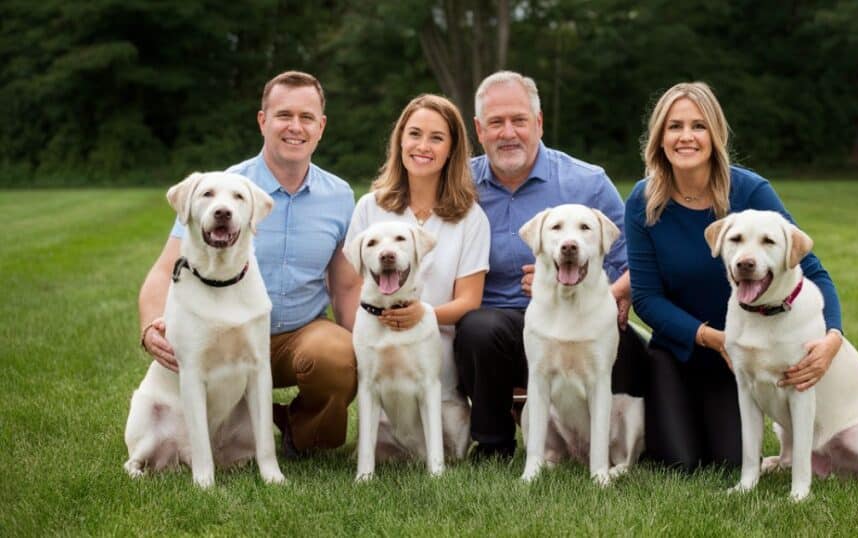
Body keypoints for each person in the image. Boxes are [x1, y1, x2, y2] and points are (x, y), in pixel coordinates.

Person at [138, 71, 360, 459]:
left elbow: (345, 288)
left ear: (321, 126)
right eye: (283, 115)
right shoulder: (221, 188)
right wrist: (149, 327)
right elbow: (164, 270)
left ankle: (298, 430)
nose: (295, 127)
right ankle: (231, 430)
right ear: (263, 121)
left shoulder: (339, 195)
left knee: (338, 356)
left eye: (307, 117)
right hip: (222, 334)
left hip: (299, 337)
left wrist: (367, 346)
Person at [624, 81, 845, 471]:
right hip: (678, 351)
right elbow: (645, 298)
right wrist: (712, 338)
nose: (686, 137)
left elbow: (812, 270)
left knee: (728, 462)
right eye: (674, 127)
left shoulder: (750, 191)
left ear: (715, 135)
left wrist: (832, 337)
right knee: (678, 463)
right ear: (659, 138)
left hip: (739, 358)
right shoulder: (643, 202)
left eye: (698, 126)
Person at [454, 70, 647, 459]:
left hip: (581, 322)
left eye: (519, 120)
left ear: (538, 123)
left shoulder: (587, 183)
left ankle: (621, 445)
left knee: (631, 346)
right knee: (479, 327)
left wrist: (595, 293)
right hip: (502, 332)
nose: (508, 132)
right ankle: (494, 444)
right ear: (479, 129)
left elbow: (636, 262)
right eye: (496, 122)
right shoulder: (460, 185)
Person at [344, 94, 489, 455]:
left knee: (448, 447)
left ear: (452, 149)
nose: (423, 146)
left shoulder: (470, 217)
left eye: (437, 138)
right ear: (400, 141)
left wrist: (421, 314)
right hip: (377, 343)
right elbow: (352, 285)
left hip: (436, 348)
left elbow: (470, 300)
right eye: (414, 134)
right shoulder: (370, 207)